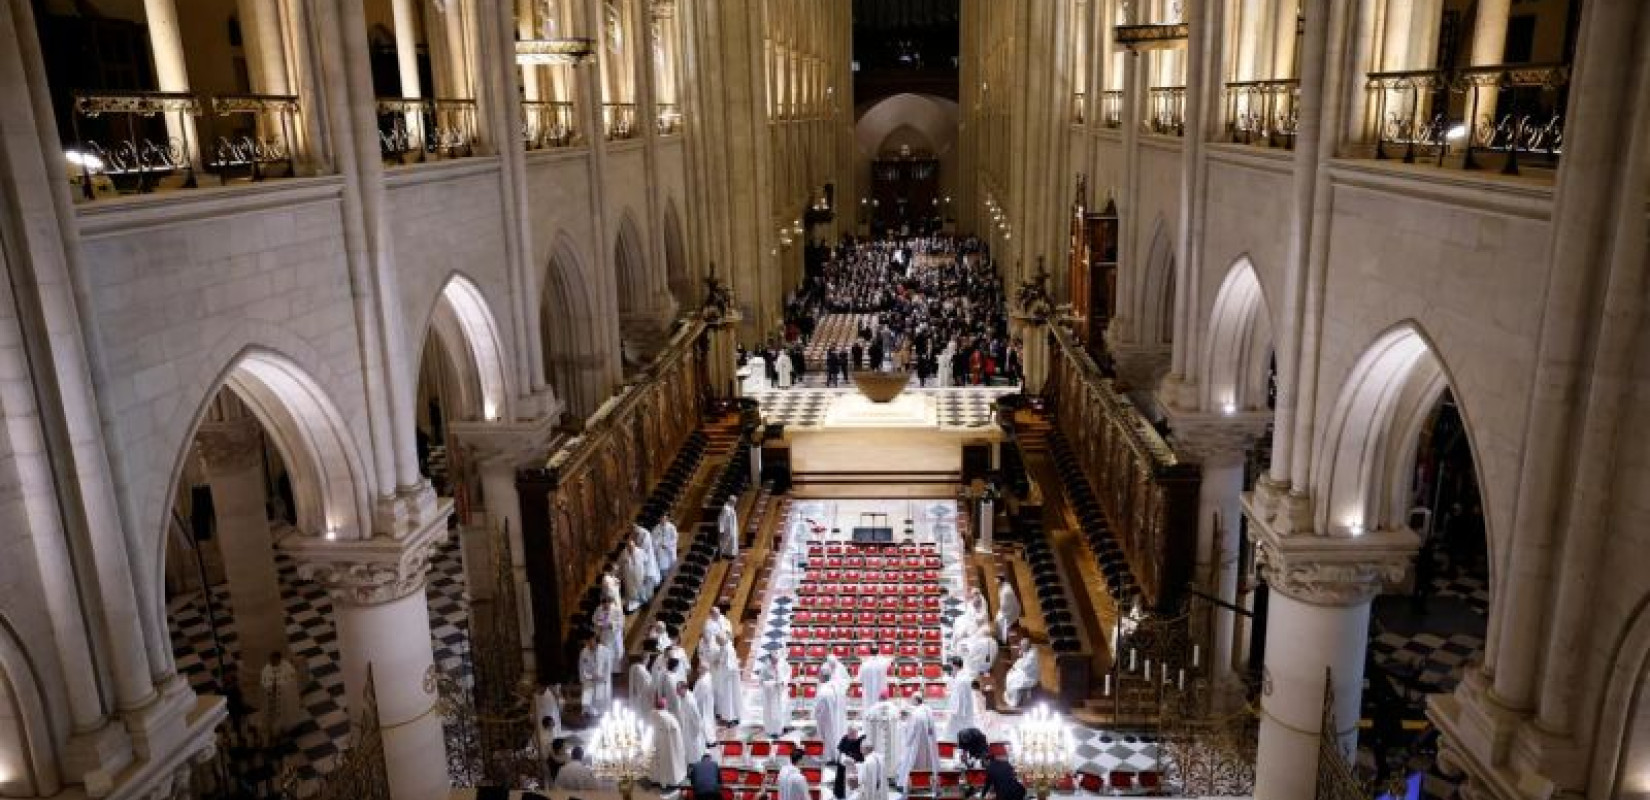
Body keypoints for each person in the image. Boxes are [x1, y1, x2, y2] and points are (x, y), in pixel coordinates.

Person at [894, 695, 939, 791]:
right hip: (927, 744)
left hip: (916, 745)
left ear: (916, 700)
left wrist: (907, 741)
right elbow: (931, 729)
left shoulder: (916, 713)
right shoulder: (927, 711)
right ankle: (926, 782)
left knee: (912, 764)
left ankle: (909, 783)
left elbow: (912, 731)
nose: (911, 701)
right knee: (925, 763)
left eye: (912, 700)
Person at [260, 651, 301, 742]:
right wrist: (270, 686)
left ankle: (287, 730)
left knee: (285, 714)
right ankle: (274, 733)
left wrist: (279, 685)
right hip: (272, 698)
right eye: (271, 660)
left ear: (278, 659)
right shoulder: (266, 669)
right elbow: (263, 681)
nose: (271, 661)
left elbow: (292, 681)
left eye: (273, 659)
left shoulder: (287, 667)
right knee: (273, 716)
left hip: (284, 699)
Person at [862, 688, 902, 778]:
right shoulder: (894, 709)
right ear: (888, 697)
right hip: (890, 744)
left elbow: (866, 721)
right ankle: (890, 773)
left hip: (877, 744)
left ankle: (876, 772)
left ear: (879, 697)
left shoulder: (872, 709)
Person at [649, 697, 686, 787]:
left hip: (657, 743)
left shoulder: (652, 714)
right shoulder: (669, 718)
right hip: (668, 746)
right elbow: (677, 732)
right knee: (670, 763)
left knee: (657, 761)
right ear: (665, 706)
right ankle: (671, 781)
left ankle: (656, 779)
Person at [941, 660, 980, 739]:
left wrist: (954, 711)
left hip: (961, 712)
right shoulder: (960, 677)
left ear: (955, 666)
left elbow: (960, 697)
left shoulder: (963, 679)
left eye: (951, 666)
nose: (950, 669)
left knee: (955, 734)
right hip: (961, 712)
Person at [711, 633, 743, 723]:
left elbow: (729, 665)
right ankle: (731, 716)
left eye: (718, 641)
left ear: (721, 640)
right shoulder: (725, 646)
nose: (718, 644)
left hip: (728, 678)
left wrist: (718, 663)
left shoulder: (728, 649)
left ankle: (730, 717)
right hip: (726, 677)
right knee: (727, 697)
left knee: (729, 697)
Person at [814, 680, 848, 764]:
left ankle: (830, 756)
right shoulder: (839, 689)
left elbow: (818, 709)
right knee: (837, 734)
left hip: (827, 718)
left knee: (829, 735)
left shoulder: (823, 690)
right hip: (838, 719)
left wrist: (816, 717)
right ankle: (837, 755)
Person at [758, 651, 791, 735]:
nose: (774, 662)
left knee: (783, 710)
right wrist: (771, 683)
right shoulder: (765, 666)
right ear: (770, 659)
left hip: (781, 691)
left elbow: (788, 673)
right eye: (773, 660)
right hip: (770, 694)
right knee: (771, 713)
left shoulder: (783, 664)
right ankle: (771, 730)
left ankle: (782, 727)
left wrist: (783, 681)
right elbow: (761, 680)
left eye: (776, 660)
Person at [676, 680, 708, 765]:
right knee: (689, 748)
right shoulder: (684, 697)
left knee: (694, 748)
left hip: (692, 729)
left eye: (678, 690)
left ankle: (695, 763)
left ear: (684, 689)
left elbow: (696, 717)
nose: (677, 692)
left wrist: (696, 731)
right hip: (686, 726)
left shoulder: (690, 701)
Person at [580, 637, 614, 714]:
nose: (589, 644)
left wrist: (601, 676)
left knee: (601, 700)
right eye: (587, 642)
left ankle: (602, 712)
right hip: (589, 679)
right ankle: (587, 712)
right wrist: (588, 677)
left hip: (601, 680)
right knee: (587, 694)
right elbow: (582, 667)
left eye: (591, 641)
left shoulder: (605, 651)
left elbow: (608, 667)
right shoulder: (584, 652)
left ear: (595, 641)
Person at [1002, 639, 1040, 709]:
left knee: (1013, 680)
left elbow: (1025, 666)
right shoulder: (1028, 651)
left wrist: (1015, 667)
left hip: (1030, 676)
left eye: (1022, 646)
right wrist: (1015, 666)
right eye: (1021, 646)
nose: (1021, 648)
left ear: (1027, 646)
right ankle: (1012, 696)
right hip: (1025, 673)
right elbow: (1022, 661)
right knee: (1010, 675)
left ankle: (1014, 701)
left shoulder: (1032, 655)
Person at [834, 727, 867, 799]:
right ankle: (840, 794)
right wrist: (843, 757)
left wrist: (853, 758)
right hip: (844, 763)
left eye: (852, 734)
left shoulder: (861, 739)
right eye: (849, 734)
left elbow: (862, 754)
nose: (850, 736)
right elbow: (840, 750)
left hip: (855, 765)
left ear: (856, 733)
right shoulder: (845, 738)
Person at [995, 576, 1022, 644]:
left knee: (1000, 620)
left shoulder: (1006, 590)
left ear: (1000, 580)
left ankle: (1004, 639)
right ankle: (1000, 637)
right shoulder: (1002, 587)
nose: (995, 582)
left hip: (1011, 611)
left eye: (996, 580)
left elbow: (1005, 604)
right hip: (1006, 609)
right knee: (997, 619)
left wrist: (1002, 611)